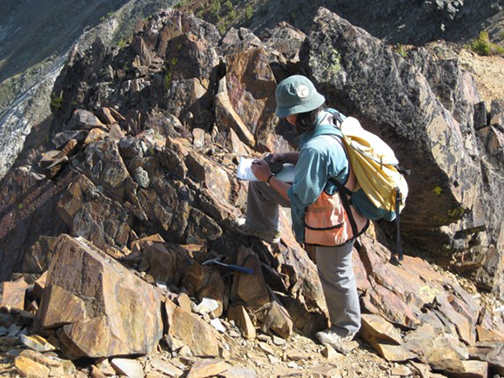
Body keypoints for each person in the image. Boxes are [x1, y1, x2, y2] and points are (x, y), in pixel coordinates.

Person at [236, 75, 368, 353]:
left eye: (290, 116)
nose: (288, 121)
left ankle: (345, 330)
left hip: (336, 219)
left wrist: (268, 177)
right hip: (333, 190)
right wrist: (284, 158)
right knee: (259, 185)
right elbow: (314, 157)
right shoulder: (330, 117)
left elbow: (301, 197)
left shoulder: (317, 148)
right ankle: (263, 228)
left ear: (300, 114)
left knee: (335, 273)